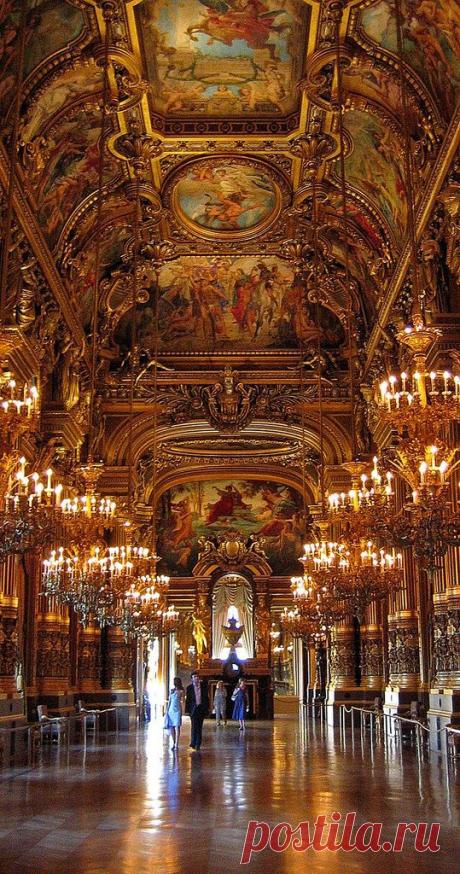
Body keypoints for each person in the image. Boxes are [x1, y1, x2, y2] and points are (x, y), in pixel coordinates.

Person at [185, 670, 209, 751]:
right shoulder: (189, 688)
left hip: (201, 708)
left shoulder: (204, 687)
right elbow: (188, 700)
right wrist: (187, 711)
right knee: (194, 726)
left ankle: (198, 743)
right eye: (194, 677)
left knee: (199, 727)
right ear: (192, 679)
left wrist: (207, 709)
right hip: (193, 709)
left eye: (197, 676)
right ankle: (193, 742)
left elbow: (206, 698)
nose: (196, 678)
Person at [166, 677, 184, 750]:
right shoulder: (172, 691)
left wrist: (182, 710)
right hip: (171, 711)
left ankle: (176, 744)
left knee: (177, 727)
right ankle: (174, 743)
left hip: (177, 710)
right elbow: (170, 700)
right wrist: (167, 710)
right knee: (171, 727)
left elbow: (183, 701)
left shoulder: (182, 691)